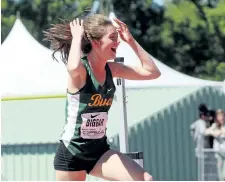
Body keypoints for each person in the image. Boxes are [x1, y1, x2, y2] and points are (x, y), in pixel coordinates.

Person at [44, 13, 161, 181]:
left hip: (99, 151)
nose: (117, 41)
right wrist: (77, 37)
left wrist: (131, 41)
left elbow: (152, 72)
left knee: (144, 179)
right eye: (112, 38)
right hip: (73, 152)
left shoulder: (112, 70)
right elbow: (72, 67)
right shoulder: (81, 71)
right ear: (96, 42)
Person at [206, 109, 225, 181]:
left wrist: (220, 131)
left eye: (222, 116)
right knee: (220, 173)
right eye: (219, 116)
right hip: (219, 153)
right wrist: (213, 132)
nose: (221, 118)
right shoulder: (215, 125)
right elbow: (206, 131)